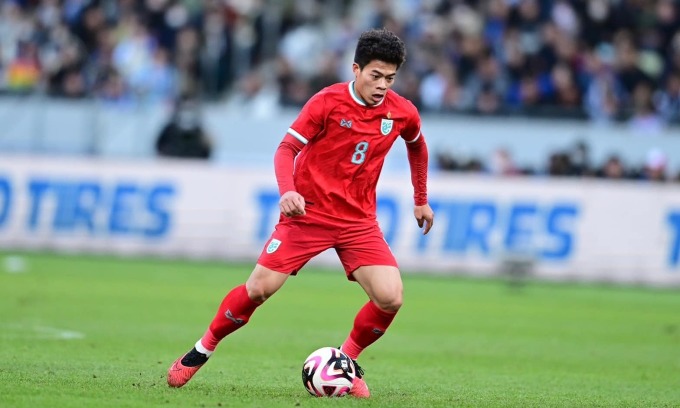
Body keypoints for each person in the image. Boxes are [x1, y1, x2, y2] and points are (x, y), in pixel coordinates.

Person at [166, 28, 434, 398]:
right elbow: (285, 149)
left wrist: (421, 198)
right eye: (375, 75)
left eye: (390, 78)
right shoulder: (326, 102)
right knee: (259, 289)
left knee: (391, 297)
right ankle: (202, 349)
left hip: (358, 221)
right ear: (356, 69)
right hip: (307, 214)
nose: (382, 85)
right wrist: (288, 190)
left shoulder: (401, 112)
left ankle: (345, 362)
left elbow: (417, 147)